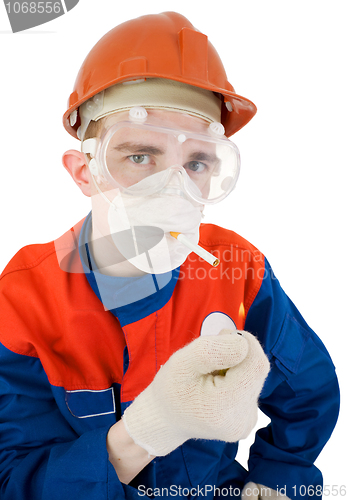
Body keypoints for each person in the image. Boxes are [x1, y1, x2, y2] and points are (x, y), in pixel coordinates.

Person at [0, 11, 339, 500]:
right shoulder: (24, 298)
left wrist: (281, 476)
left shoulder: (236, 269)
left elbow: (309, 389)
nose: (173, 188)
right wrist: (142, 434)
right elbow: (14, 481)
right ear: (83, 171)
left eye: (197, 162)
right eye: (139, 155)